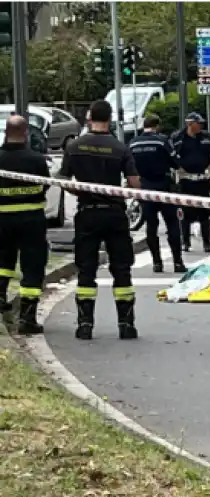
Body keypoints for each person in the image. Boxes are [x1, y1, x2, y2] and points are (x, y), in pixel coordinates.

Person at [57, 99, 141, 340]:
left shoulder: (74, 146)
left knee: (86, 269)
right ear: (110, 118)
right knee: (122, 269)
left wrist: (81, 190)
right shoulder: (120, 148)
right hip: (115, 214)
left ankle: (85, 325)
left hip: (88, 213)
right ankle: (126, 324)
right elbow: (135, 184)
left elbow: (64, 181)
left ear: (89, 117)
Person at [0, 116, 52, 334]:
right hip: (32, 221)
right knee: (32, 269)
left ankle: (1, 302)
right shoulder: (36, 160)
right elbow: (46, 186)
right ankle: (27, 319)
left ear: (5, 132)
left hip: (2, 221)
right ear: (25, 134)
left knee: (2, 264)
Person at [128, 114, 184, 273]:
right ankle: (178, 263)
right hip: (164, 186)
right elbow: (176, 162)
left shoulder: (133, 143)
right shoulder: (162, 140)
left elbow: (128, 166)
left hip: (145, 188)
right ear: (157, 126)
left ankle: (157, 263)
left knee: (151, 227)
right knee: (172, 224)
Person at [171, 112, 210, 253]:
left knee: (204, 212)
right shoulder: (178, 137)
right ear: (189, 123)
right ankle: (185, 242)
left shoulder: (206, 136)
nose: (201, 126)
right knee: (185, 213)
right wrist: (178, 167)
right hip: (186, 180)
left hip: (202, 180)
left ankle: (207, 243)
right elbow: (170, 154)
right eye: (198, 123)